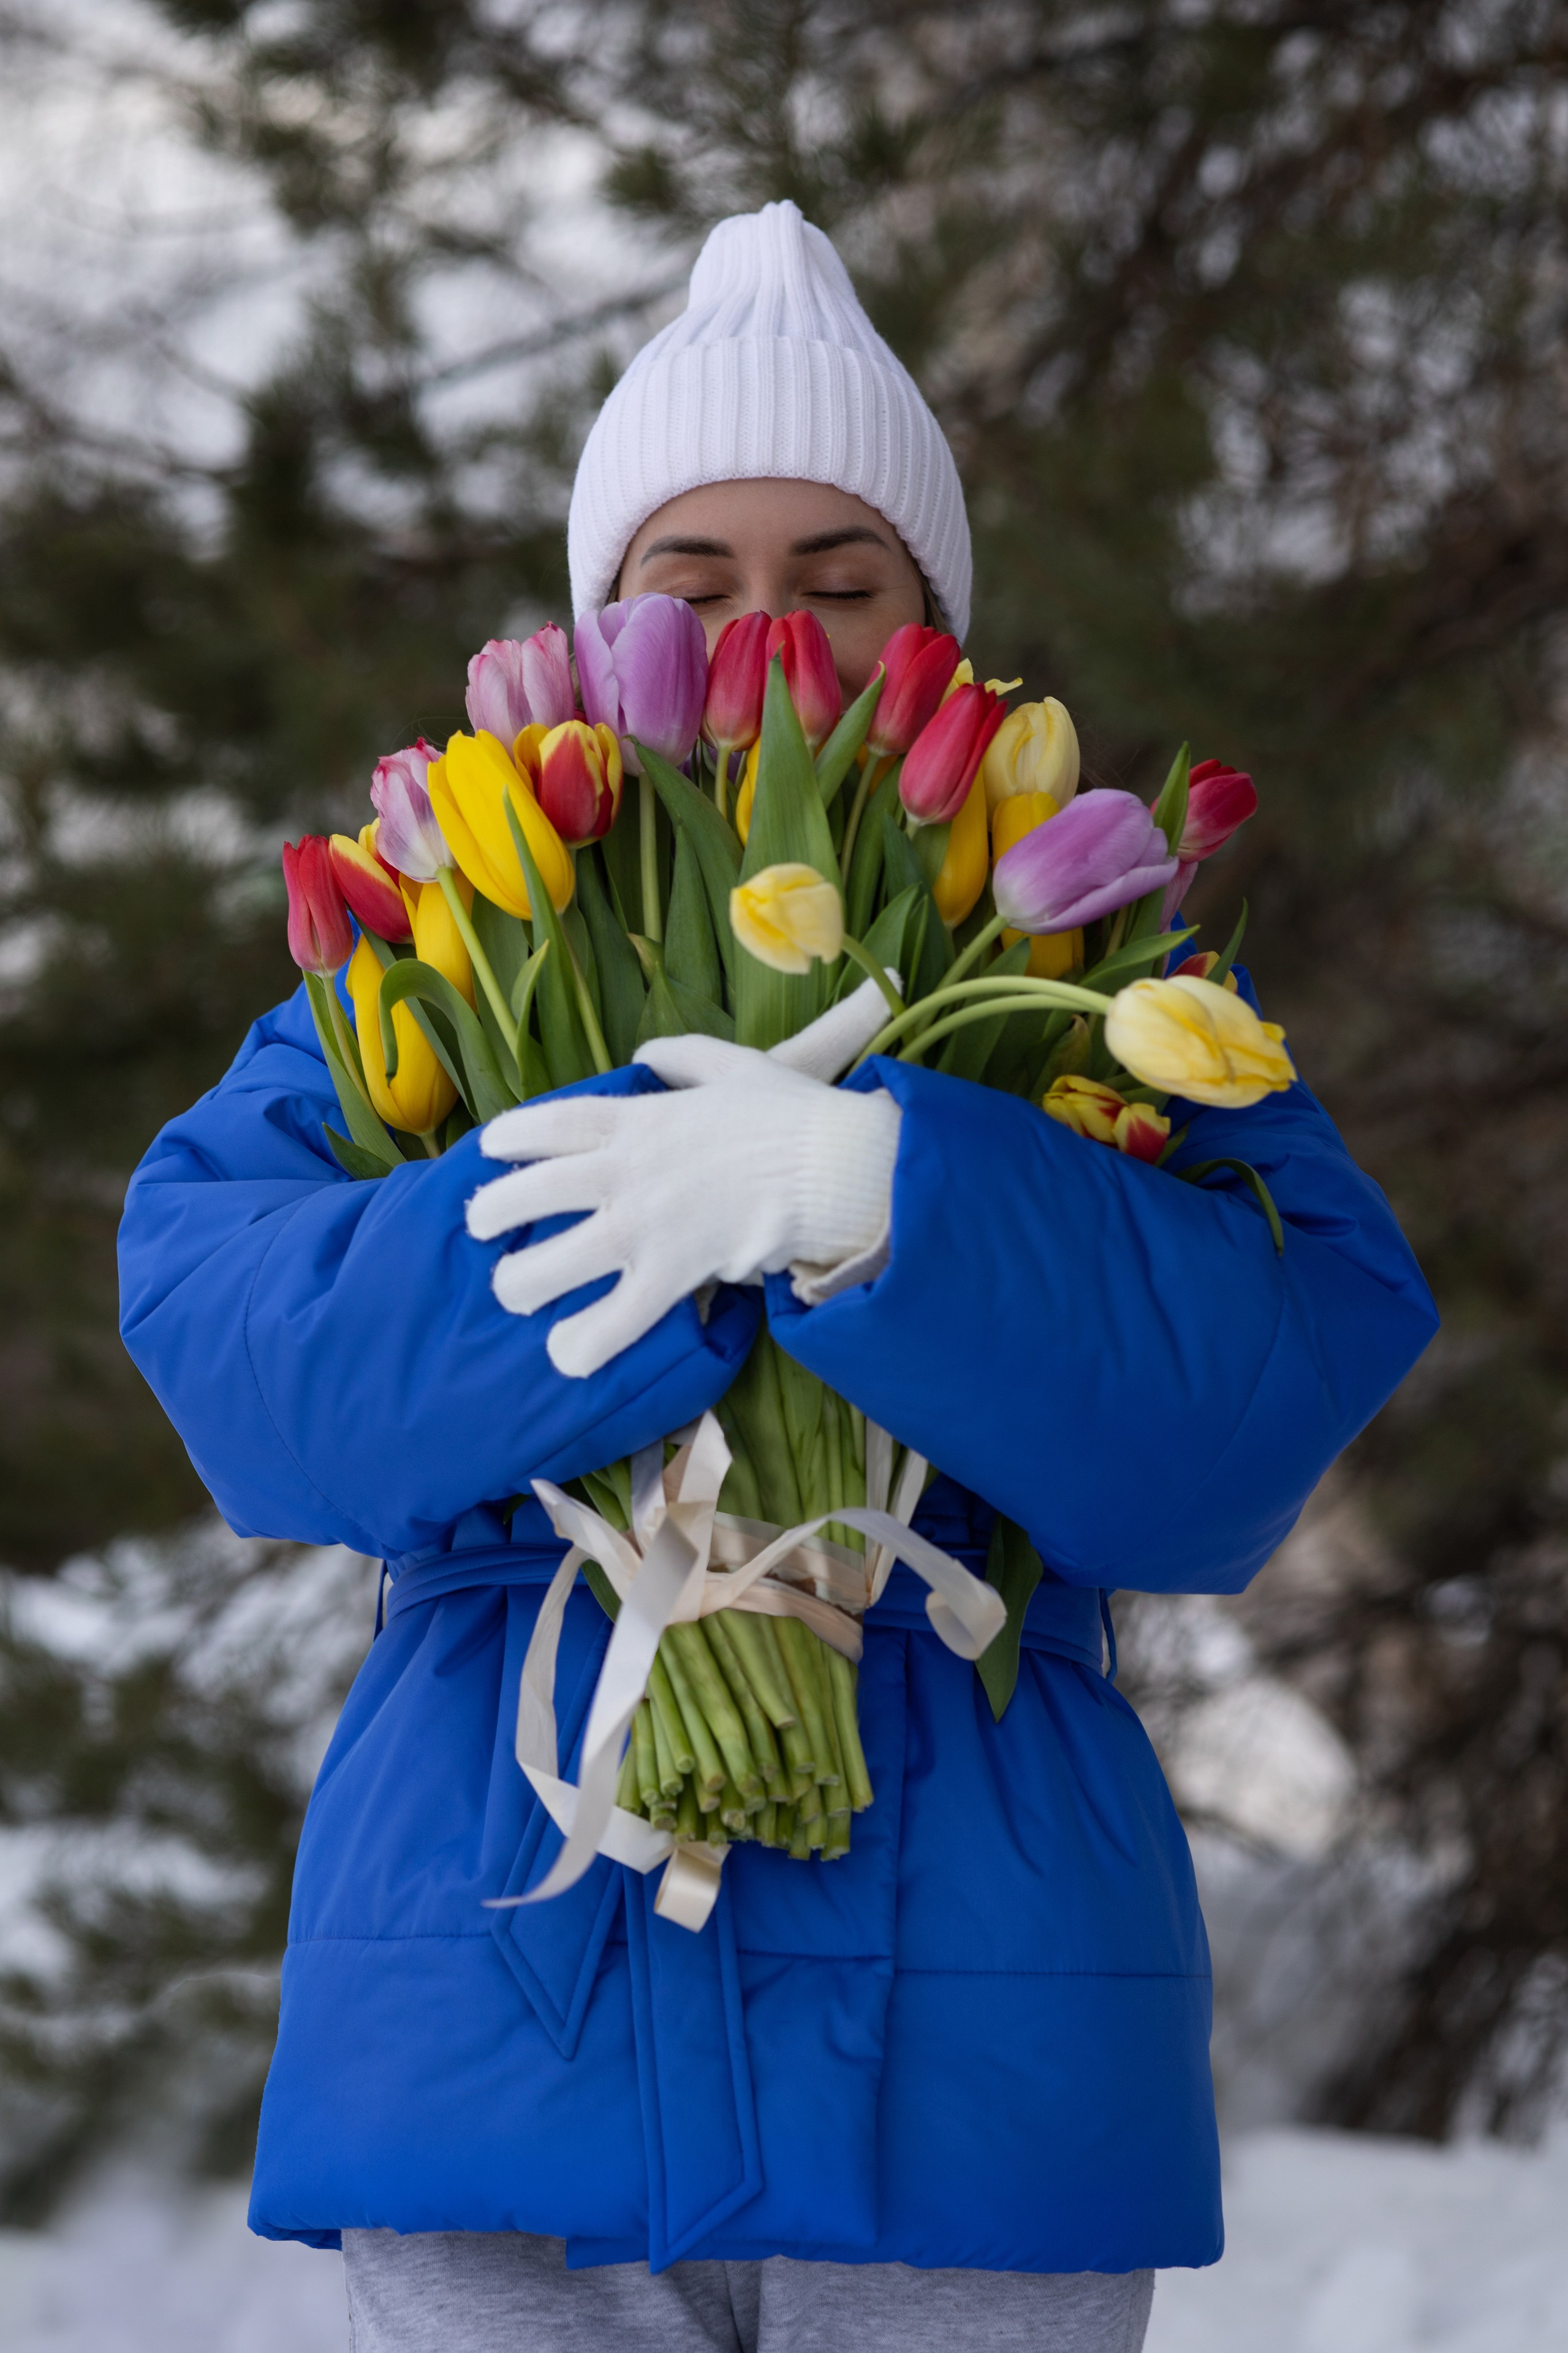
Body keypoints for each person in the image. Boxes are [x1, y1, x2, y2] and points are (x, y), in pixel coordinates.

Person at [116, 202, 1438, 2352]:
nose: (769, 642)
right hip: (502, 2007)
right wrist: (589, 1223)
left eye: (844, 584)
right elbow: (249, 1374)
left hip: (977, 2044)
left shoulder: (1084, 962)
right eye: (690, 583)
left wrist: (890, 1199)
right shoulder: (437, 943)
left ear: (939, 634)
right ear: (595, 618)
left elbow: (1256, 1402)